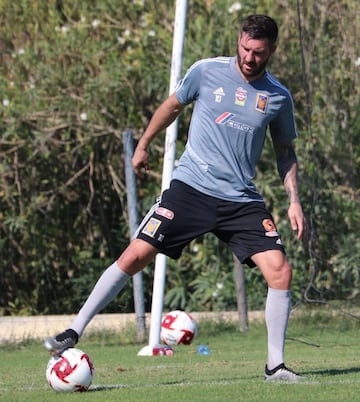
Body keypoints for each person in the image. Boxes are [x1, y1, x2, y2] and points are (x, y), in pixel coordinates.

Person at [44, 14, 307, 382]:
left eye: (258, 53)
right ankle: (73, 330)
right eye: (245, 49)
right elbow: (172, 106)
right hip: (191, 188)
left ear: (272, 51)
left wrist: (294, 200)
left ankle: (275, 366)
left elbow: (285, 151)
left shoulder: (278, 96)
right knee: (136, 253)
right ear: (239, 41)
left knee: (280, 270)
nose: (249, 58)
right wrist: (143, 145)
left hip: (240, 200)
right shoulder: (206, 71)